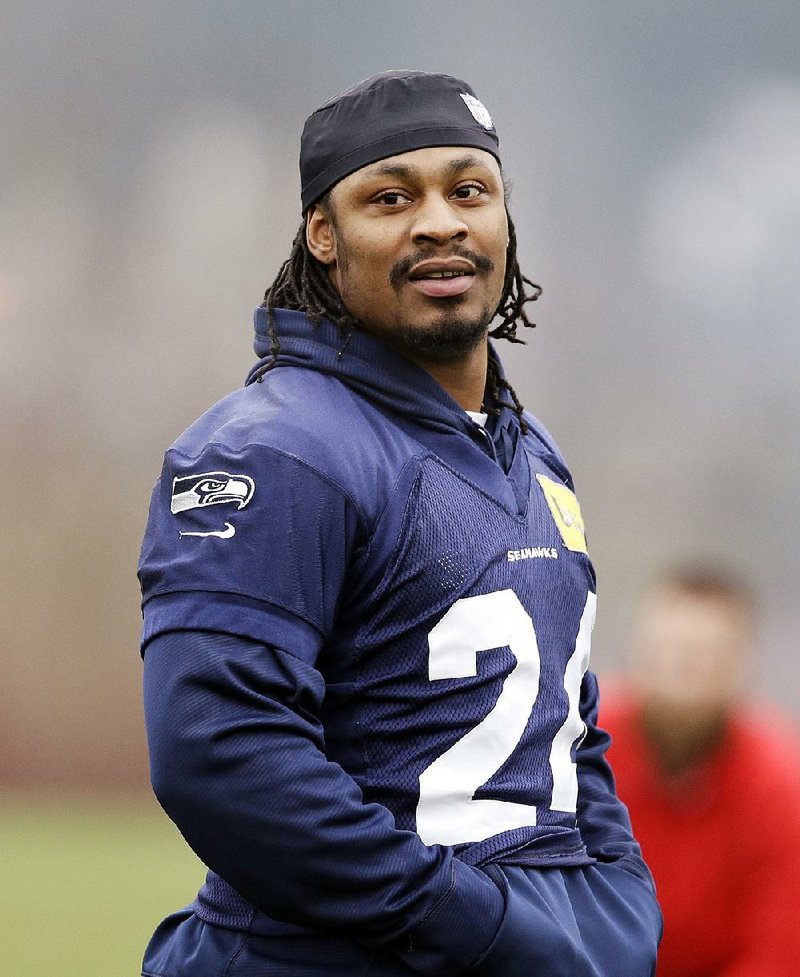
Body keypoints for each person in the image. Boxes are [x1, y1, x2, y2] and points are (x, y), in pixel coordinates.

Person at [137, 70, 661, 977]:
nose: (440, 222)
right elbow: (224, 758)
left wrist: (615, 903)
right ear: (323, 236)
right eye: (391, 197)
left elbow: (565, 730)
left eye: (469, 190)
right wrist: (478, 926)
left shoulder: (530, 451)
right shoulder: (274, 450)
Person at [600, 564, 800, 977]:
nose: (683, 672)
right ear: (636, 647)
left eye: (705, 656)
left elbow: (779, 954)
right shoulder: (576, 748)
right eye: (668, 650)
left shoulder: (782, 785)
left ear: (743, 661)